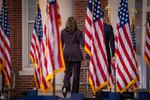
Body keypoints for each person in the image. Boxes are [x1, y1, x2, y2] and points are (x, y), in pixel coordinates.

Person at [61, 17, 84, 97]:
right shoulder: (78, 32)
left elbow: (61, 45)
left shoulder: (63, 32)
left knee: (67, 72)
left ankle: (65, 86)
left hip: (66, 54)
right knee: (76, 75)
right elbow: (83, 44)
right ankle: (74, 94)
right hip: (76, 54)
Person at [95, 22, 115, 100]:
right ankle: (103, 94)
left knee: (97, 73)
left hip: (96, 54)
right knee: (105, 73)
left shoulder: (93, 26)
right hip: (105, 54)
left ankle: (99, 93)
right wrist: (113, 54)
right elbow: (112, 43)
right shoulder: (108, 27)